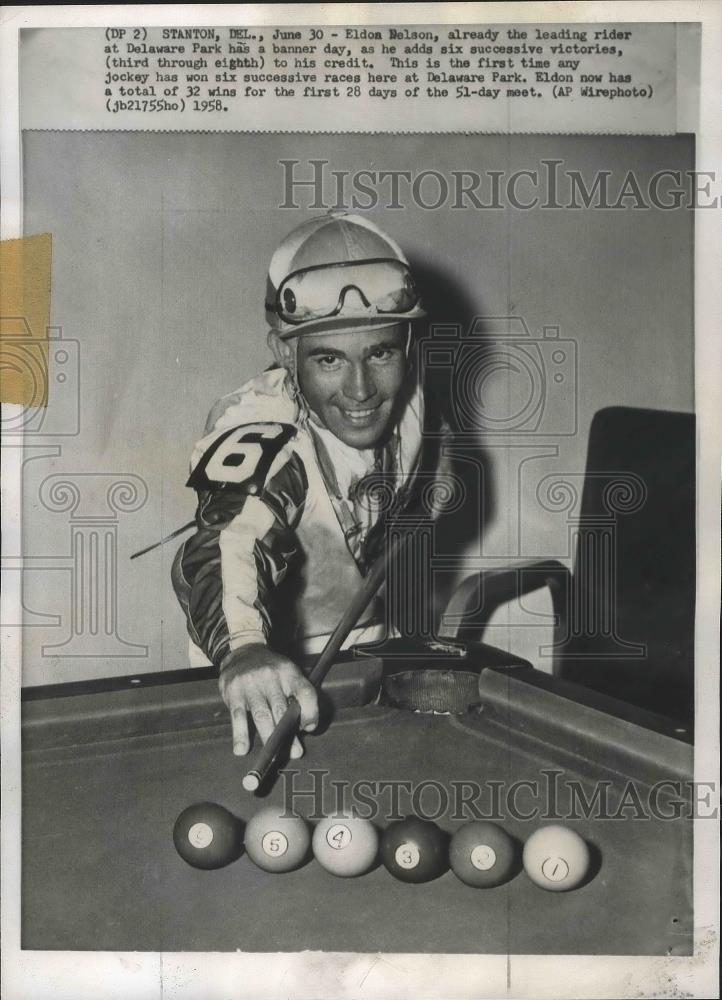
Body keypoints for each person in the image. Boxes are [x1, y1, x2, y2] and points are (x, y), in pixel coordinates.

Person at [172, 212, 449, 758]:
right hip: (257, 674)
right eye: (328, 359)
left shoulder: (415, 401)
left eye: (381, 352)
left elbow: (431, 477)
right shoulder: (264, 432)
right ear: (284, 353)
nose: (361, 389)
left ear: (407, 343)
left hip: (367, 650)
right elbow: (224, 543)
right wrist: (246, 650)